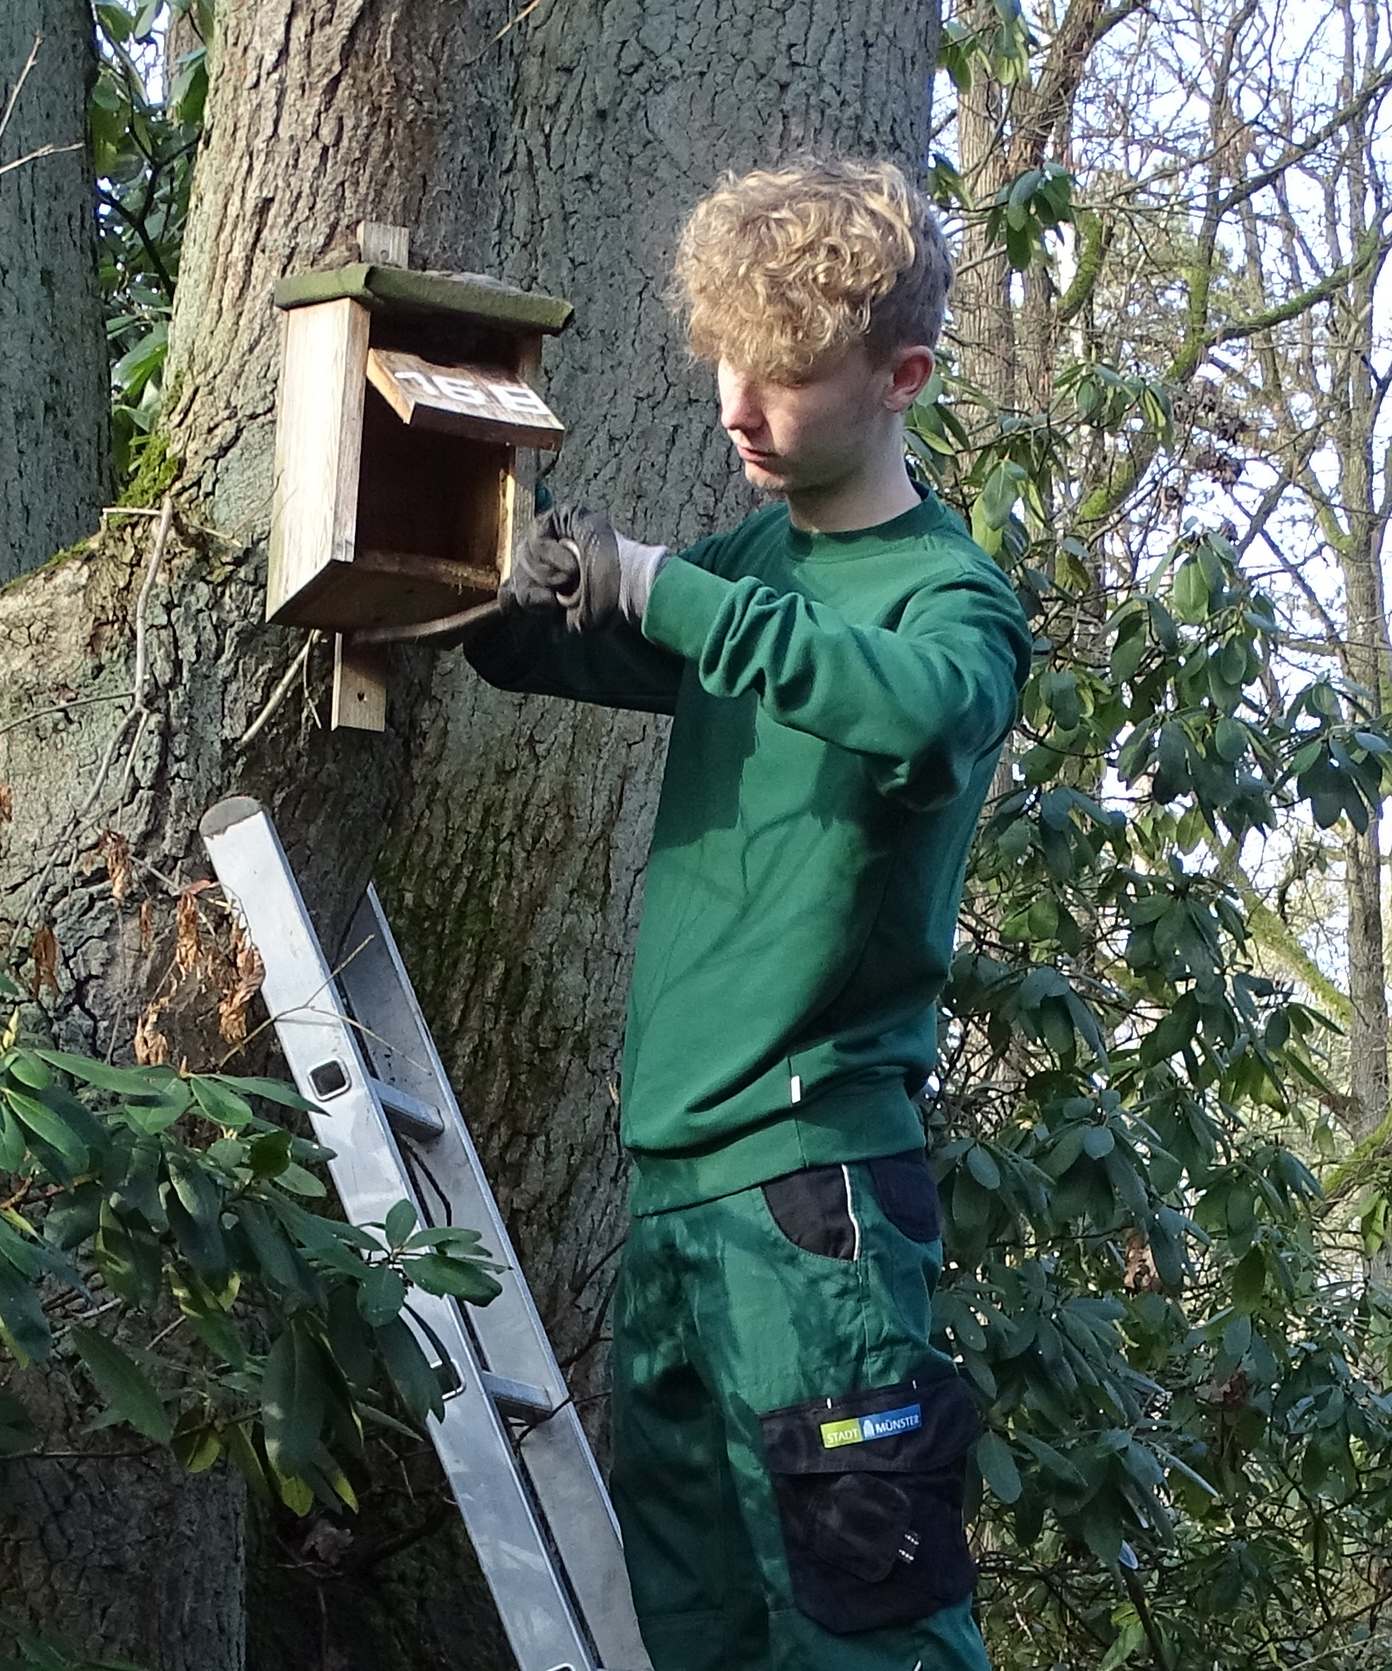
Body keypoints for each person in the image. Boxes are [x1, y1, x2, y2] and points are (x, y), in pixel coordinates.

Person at [464, 156, 1030, 1671]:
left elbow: (911, 711)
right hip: (674, 1193)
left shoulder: (947, 601)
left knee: (861, 1635)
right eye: (725, 358)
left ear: (901, 375)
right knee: (695, 1625)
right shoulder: (755, 569)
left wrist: (660, 588)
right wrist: (485, 587)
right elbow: (566, 653)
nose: (736, 406)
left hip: (815, 1197)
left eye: (783, 374)